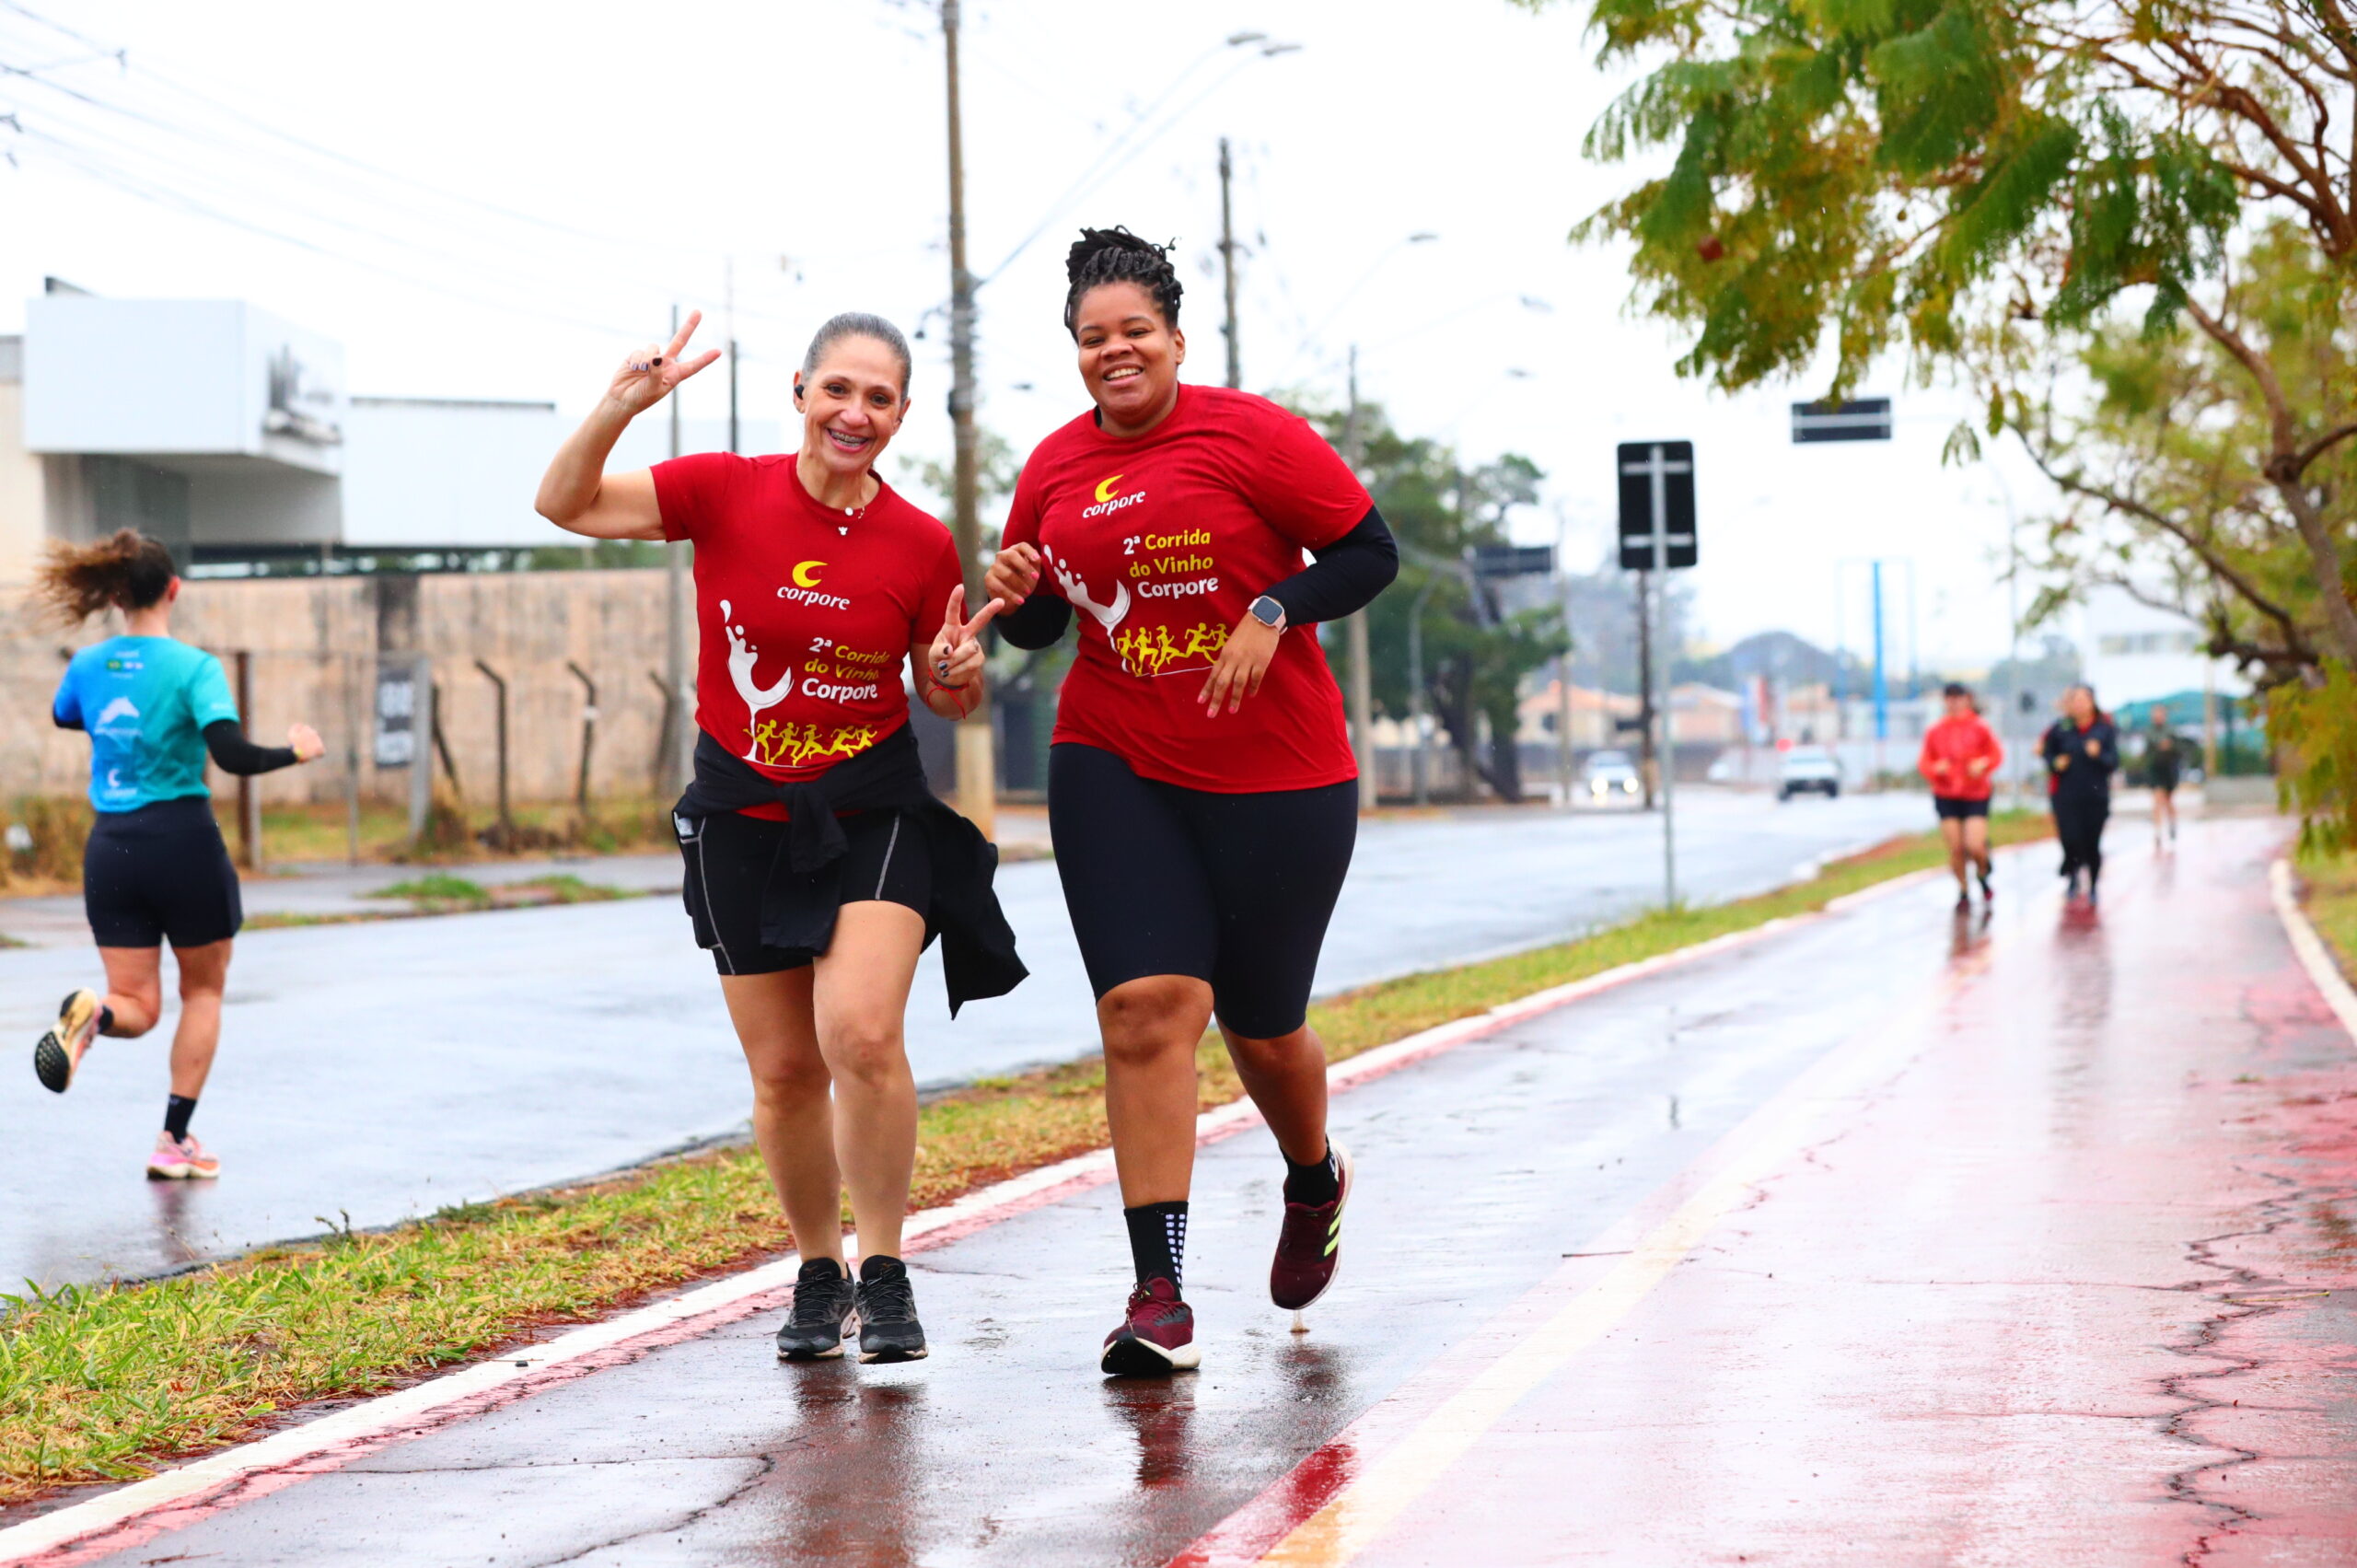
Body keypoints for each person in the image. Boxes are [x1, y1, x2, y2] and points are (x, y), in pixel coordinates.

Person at [535, 310, 1025, 1365]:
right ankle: (816, 1268)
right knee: (788, 1073)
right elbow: (563, 502)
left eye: (879, 398)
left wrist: (957, 673)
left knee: (862, 1035)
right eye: (837, 388)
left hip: (872, 810)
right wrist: (622, 404)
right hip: (740, 814)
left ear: (901, 414)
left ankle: (884, 1267)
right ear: (800, 391)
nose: (855, 412)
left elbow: (947, 695)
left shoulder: (919, 541)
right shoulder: (722, 490)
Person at [985, 227, 1399, 1376]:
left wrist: (1273, 609)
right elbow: (1038, 624)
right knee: (1145, 1009)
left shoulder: (1250, 433)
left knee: (1261, 1025)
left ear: (1174, 338)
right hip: (1114, 753)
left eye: (1134, 331)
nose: (1113, 351)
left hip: (1281, 772)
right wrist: (1016, 589)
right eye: (1092, 337)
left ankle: (1312, 1175)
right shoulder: (1054, 466)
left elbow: (1367, 553)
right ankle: (1157, 1293)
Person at [31, 530, 326, 1179]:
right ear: (174, 589)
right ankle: (173, 1139)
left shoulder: (87, 665)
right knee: (203, 991)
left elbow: (66, 715)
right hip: (183, 842)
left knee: (134, 1003)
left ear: (115, 595)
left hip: (111, 848)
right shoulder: (195, 668)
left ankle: (96, 1015)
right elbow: (233, 755)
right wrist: (296, 752)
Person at [1918, 681, 2003, 910]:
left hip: (1975, 793)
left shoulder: (1980, 727)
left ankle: (1983, 872)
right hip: (1946, 793)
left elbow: (1995, 755)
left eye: (1958, 697)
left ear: (1967, 699)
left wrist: (1983, 764)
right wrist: (1936, 769)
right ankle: (1963, 890)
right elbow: (1924, 762)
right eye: (1950, 698)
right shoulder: (1935, 730)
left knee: (1974, 845)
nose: (1954, 702)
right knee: (1956, 847)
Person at [2040, 684, 2119, 903]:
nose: (2079, 704)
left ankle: (2093, 885)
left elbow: (2113, 762)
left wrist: (2099, 754)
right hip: (2066, 795)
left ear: (2092, 702)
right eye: (2075, 700)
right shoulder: (2061, 728)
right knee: (2070, 838)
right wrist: (2055, 762)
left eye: (2084, 699)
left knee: (2091, 842)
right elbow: (2046, 752)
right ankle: (2073, 878)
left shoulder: (2104, 729)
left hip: (2095, 796)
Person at [2145, 704, 2182, 846]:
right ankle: (2158, 831)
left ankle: (2172, 824)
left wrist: (2169, 747)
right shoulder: (2149, 732)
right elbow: (2147, 751)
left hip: (2169, 769)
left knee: (2168, 800)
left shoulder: (2171, 731)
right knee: (2157, 799)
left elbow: (2179, 749)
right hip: (2156, 769)